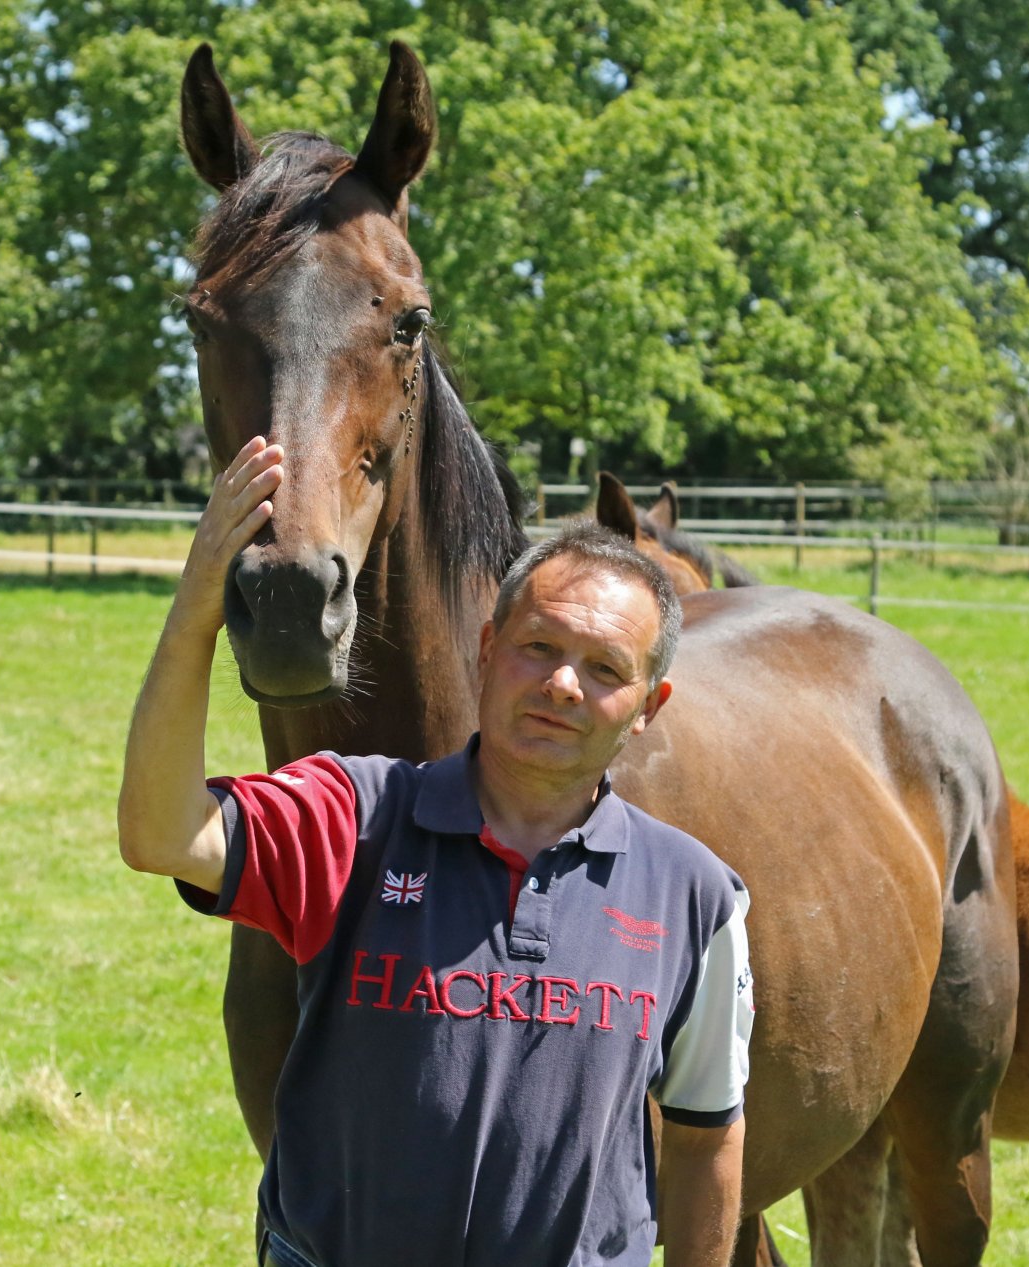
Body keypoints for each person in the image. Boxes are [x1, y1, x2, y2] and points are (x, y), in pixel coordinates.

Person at [118, 436, 755, 1267]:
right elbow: (162, 832)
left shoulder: (696, 897)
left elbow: (708, 1135)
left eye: (605, 667)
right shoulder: (355, 816)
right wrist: (200, 603)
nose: (563, 684)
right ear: (488, 652)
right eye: (539, 647)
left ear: (648, 707)